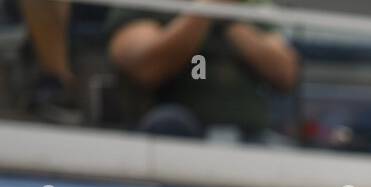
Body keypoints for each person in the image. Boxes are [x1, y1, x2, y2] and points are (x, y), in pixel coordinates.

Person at [106, 0, 298, 138]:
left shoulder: (250, 7)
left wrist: (227, 19)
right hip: (171, 140)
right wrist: (205, 11)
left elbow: (287, 73)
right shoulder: (148, 6)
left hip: (251, 139)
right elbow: (146, 68)